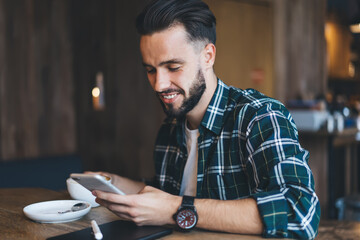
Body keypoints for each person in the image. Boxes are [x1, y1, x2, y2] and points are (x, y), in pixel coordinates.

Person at [91, 0, 321, 238]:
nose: (159, 84)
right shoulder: (170, 128)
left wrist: (176, 208)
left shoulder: (259, 116)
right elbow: (166, 194)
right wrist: (112, 182)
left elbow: (298, 213)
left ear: (208, 56)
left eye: (173, 66)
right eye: (151, 70)